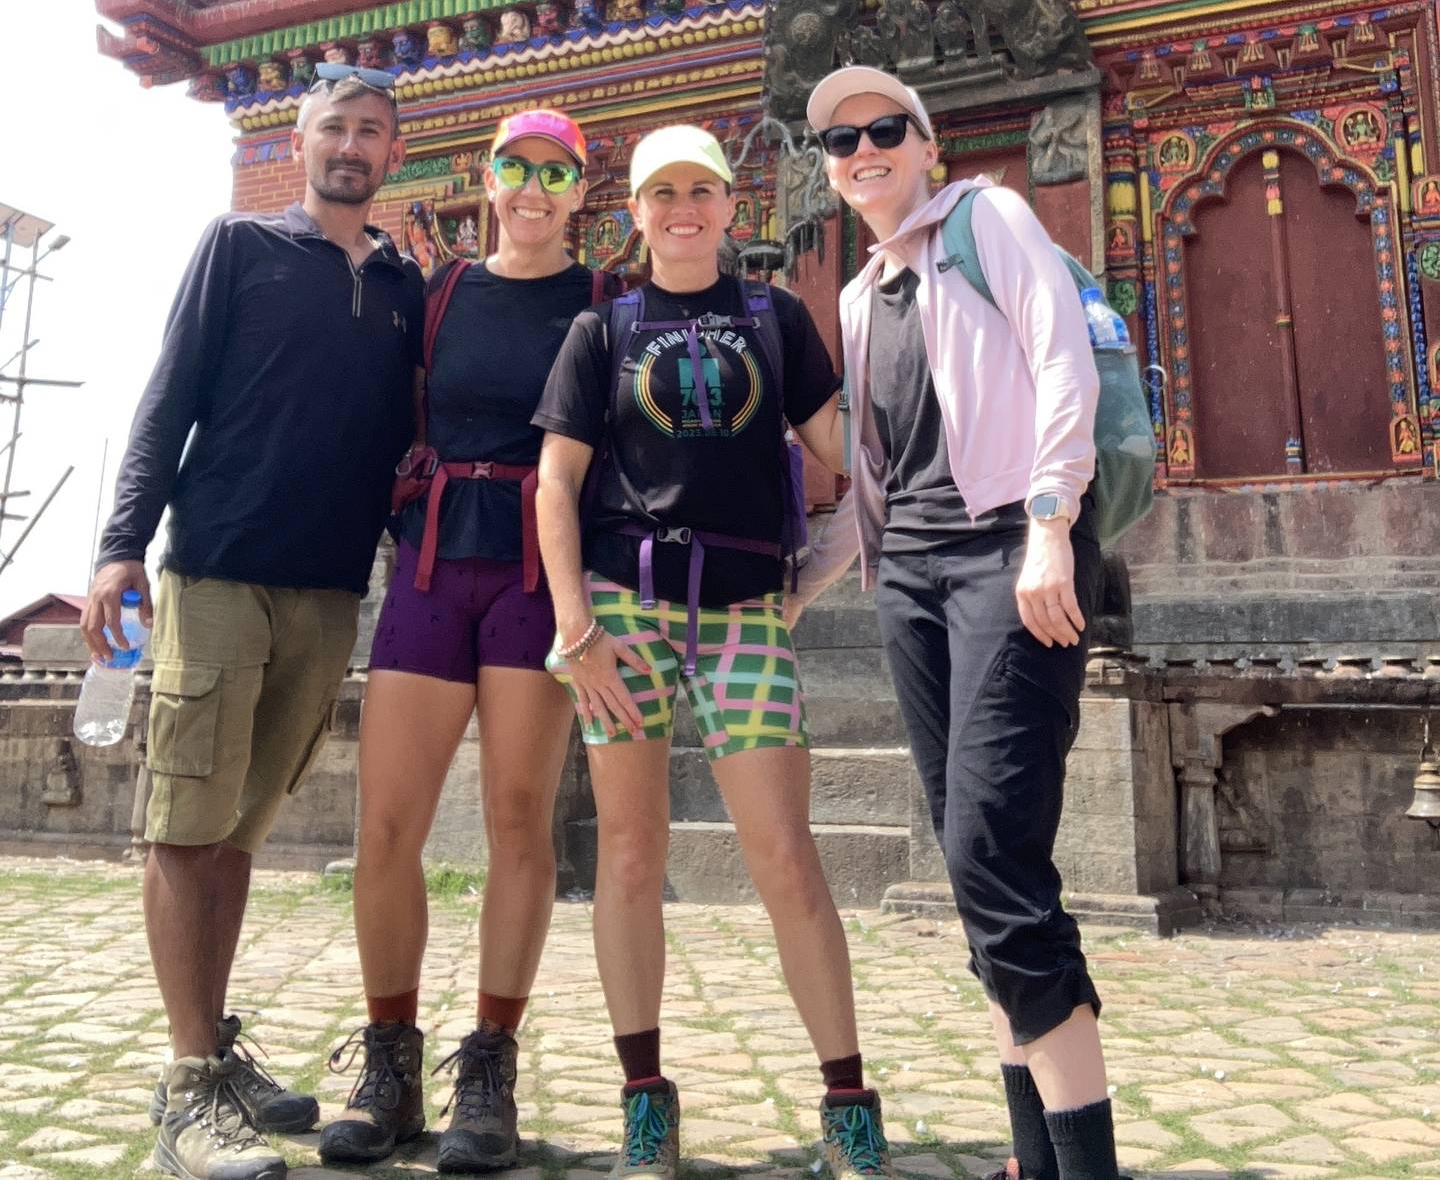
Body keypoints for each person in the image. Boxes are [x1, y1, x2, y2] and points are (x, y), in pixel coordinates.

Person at [532, 124, 893, 1180]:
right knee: (629, 854)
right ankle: (644, 1096)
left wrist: (816, 574)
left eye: (702, 190)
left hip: (743, 614)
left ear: (734, 207)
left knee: (786, 854)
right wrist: (574, 627)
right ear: (635, 213)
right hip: (622, 615)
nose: (683, 209)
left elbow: (852, 454)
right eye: (663, 193)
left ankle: (847, 1100)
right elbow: (555, 482)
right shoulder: (603, 331)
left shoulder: (775, 321)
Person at [81, 63, 422, 1180]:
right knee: (184, 823)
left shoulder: (408, 288)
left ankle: (215, 1050)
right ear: (299, 139)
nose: (351, 146)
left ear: (394, 154)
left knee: (239, 830)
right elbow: (168, 395)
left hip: (330, 592)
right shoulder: (238, 247)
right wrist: (120, 546)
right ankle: (187, 1092)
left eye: (371, 131)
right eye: (335, 126)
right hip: (219, 569)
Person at [796, 66, 1121, 1180]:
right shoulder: (859, 295)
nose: (864, 150)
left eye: (886, 129)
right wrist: (800, 588)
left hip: (1007, 558)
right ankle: (1035, 1157)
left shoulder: (992, 220)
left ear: (928, 146)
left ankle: (1086, 1167)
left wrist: (1050, 525)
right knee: (971, 858)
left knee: (994, 852)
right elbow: (875, 477)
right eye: (841, 141)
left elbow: (1062, 363)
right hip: (913, 579)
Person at [320, 110, 600, 1174]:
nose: (532, 188)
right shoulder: (438, 294)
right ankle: (389, 1061)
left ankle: (489, 1067)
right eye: (515, 167)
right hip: (434, 565)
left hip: (537, 573)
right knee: (387, 823)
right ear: (487, 179)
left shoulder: (604, 303)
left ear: (581, 191)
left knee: (519, 819)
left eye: (555, 173)